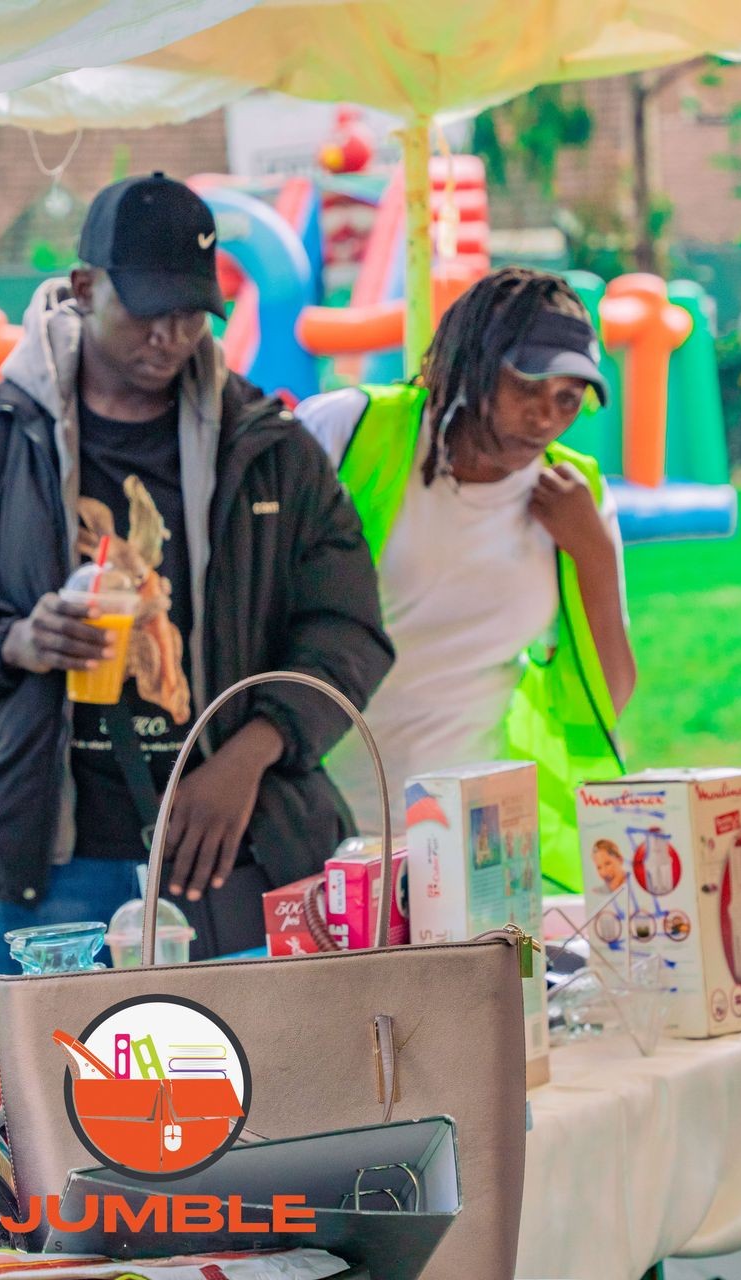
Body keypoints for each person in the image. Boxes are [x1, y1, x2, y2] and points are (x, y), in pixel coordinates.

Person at [0, 173, 392, 1049]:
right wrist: (13, 640)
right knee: (58, 1123)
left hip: (231, 848)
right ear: (83, 289)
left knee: (252, 1109)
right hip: (54, 860)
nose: (170, 336)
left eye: (191, 314)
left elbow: (349, 629)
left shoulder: (269, 449)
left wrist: (251, 755)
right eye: (145, 311)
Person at [300, 268, 635, 893]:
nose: (545, 416)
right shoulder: (348, 431)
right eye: (528, 384)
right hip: (330, 826)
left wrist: (591, 550)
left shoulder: (575, 494)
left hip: (480, 845)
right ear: (471, 362)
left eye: (568, 398)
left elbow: (608, 694)